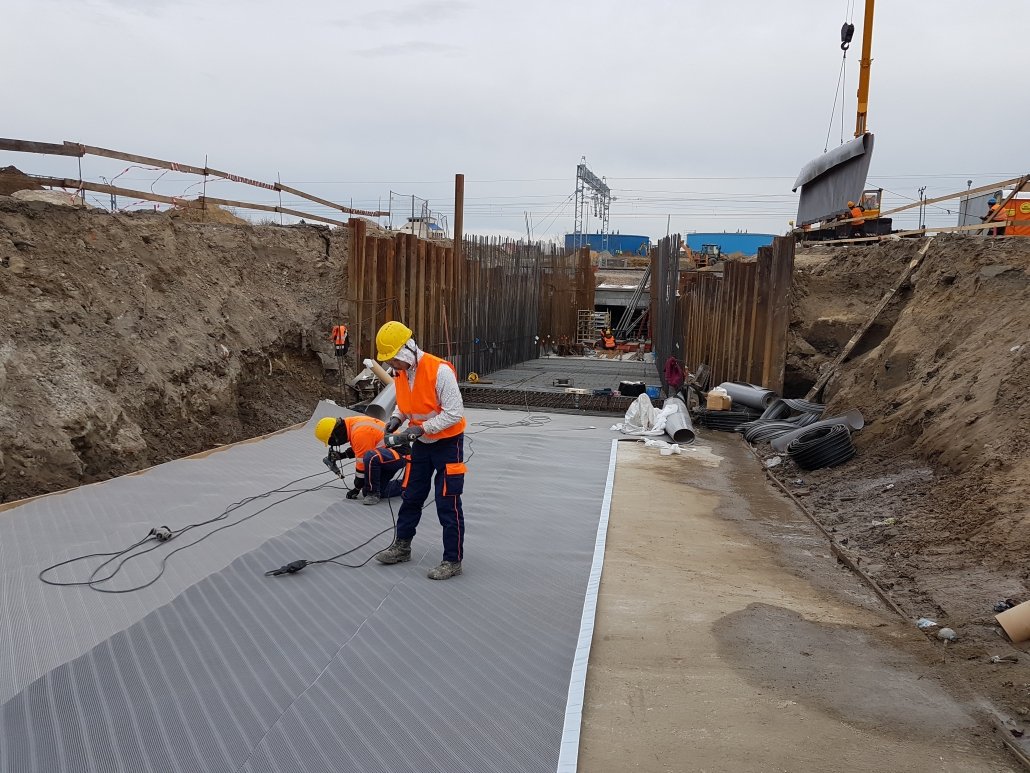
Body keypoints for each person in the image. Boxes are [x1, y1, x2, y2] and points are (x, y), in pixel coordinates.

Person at [372, 321, 467, 581]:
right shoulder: (401, 372)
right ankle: (402, 547)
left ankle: (452, 560)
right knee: (411, 496)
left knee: (448, 502)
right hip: (422, 444)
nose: (392, 366)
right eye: (389, 362)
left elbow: (454, 413)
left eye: (394, 360)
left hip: (448, 444)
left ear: (407, 350)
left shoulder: (440, 371)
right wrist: (396, 419)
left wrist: (421, 429)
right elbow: (406, 404)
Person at [314, 415, 404, 504]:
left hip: (398, 453)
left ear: (336, 434)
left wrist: (357, 487)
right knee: (370, 486)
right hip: (387, 453)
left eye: (333, 442)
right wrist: (342, 455)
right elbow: (362, 446)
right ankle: (404, 484)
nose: (336, 445)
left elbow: (362, 467)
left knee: (371, 489)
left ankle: (405, 486)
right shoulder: (351, 423)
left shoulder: (359, 433)